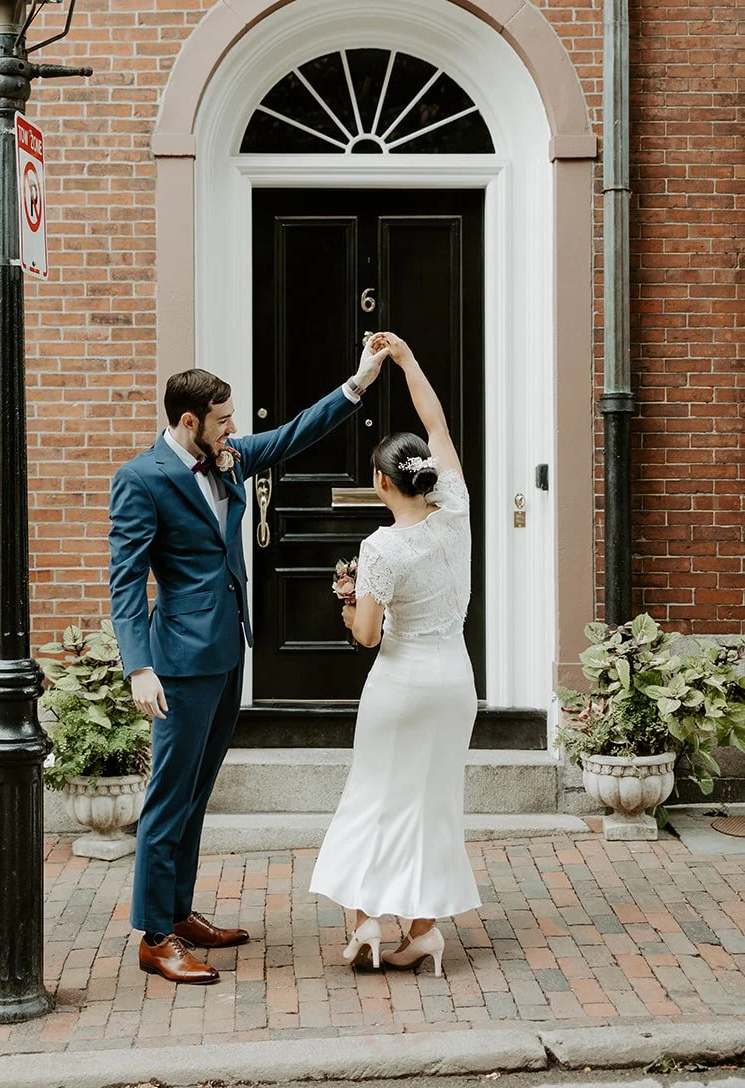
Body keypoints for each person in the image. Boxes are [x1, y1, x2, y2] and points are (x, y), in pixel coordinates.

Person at [109, 335, 394, 984]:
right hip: (177, 662)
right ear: (189, 422)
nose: (234, 429)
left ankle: (178, 912)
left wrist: (358, 382)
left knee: (195, 794)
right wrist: (138, 666)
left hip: (225, 651)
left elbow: (293, 435)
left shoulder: (227, 460)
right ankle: (155, 936)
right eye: (223, 419)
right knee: (166, 798)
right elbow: (125, 581)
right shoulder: (141, 480)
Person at [308, 332, 480, 977]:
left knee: (374, 797)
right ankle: (424, 932)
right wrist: (408, 360)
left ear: (381, 482)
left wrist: (349, 599)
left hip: (402, 682)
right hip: (454, 681)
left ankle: (367, 924)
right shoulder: (456, 509)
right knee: (434, 802)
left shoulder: (382, 547)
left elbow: (368, 637)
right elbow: (434, 421)